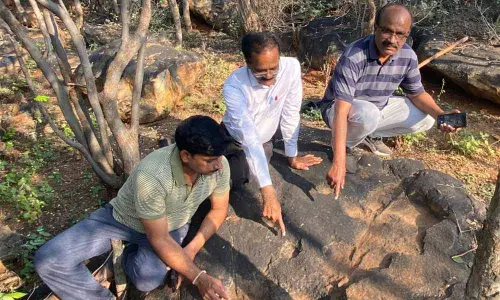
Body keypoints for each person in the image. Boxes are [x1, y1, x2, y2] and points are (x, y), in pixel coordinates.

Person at [35, 116, 231, 300]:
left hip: (171, 225)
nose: (219, 166)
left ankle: (117, 259)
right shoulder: (153, 175)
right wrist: (198, 277)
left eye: (219, 158)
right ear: (186, 155)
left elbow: (218, 210)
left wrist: (190, 250)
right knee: (49, 259)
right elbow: (159, 239)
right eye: (209, 160)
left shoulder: (219, 165)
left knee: (148, 278)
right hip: (121, 220)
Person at [321, 3, 459, 199]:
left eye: (400, 34)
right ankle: (344, 146)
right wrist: (339, 162)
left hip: (375, 109)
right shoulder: (354, 55)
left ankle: (367, 135)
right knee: (367, 114)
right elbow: (342, 110)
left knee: (426, 118)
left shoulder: (408, 56)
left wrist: (441, 115)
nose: (392, 40)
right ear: (375, 28)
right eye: (386, 31)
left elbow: (417, 94)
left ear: (407, 34)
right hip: (338, 109)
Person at [222, 32, 322, 236]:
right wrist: (268, 192)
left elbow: (291, 111)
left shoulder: (291, 68)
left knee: (235, 179)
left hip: (264, 141)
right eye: (260, 71)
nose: (268, 76)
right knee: (202, 163)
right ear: (248, 63)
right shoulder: (234, 86)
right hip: (230, 136)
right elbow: (248, 135)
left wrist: (292, 155)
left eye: (273, 68)